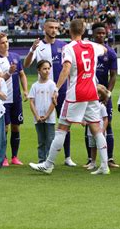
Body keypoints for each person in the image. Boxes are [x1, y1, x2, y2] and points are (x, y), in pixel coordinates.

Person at [30, 19, 110, 175]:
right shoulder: (92, 46)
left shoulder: (69, 48)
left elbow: (66, 68)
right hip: (92, 92)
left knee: (62, 129)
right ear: (84, 31)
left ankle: (48, 164)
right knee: (96, 129)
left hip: (76, 93)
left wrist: (57, 89)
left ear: (69, 31)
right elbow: (105, 50)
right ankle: (104, 165)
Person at [23, 18, 76, 167]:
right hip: (45, 93)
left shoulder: (63, 46)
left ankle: (67, 157)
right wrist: (32, 50)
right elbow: (26, 64)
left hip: (63, 90)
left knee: (65, 124)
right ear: (44, 28)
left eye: (56, 28)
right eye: (51, 27)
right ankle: (44, 159)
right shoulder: (38, 46)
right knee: (45, 125)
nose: (54, 30)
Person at [0, 33, 28, 166]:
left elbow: (22, 75)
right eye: (2, 42)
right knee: (4, 129)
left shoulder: (15, 57)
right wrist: (10, 73)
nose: (6, 44)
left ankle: (14, 157)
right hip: (3, 100)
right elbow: (0, 79)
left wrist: (25, 90)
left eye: (6, 41)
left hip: (16, 99)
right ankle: (3, 157)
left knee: (16, 127)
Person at [85, 22, 119, 168]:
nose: (100, 35)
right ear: (93, 34)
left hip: (104, 95)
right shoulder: (87, 51)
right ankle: (90, 159)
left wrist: (108, 93)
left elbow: (113, 75)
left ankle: (109, 158)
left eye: (103, 33)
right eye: (98, 33)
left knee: (108, 124)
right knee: (88, 124)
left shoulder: (110, 53)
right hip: (88, 93)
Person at [28, 60, 57, 163]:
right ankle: (41, 160)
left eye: (48, 68)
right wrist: (37, 116)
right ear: (38, 70)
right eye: (44, 69)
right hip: (38, 118)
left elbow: (54, 102)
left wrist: (46, 115)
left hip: (49, 118)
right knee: (41, 141)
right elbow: (31, 102)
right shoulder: (35, 86)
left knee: (50, 140)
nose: (47, 71)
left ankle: (49, 161)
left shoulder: (52, 84)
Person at [85, 85, 109, 171]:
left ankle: (104, 162)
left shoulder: (101, 106)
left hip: (100, 130)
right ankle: (93, 162)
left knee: (101, 146)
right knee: (92, 147)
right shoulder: (89, 105)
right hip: (90, 130)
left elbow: (105, 119)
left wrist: (103, 129)